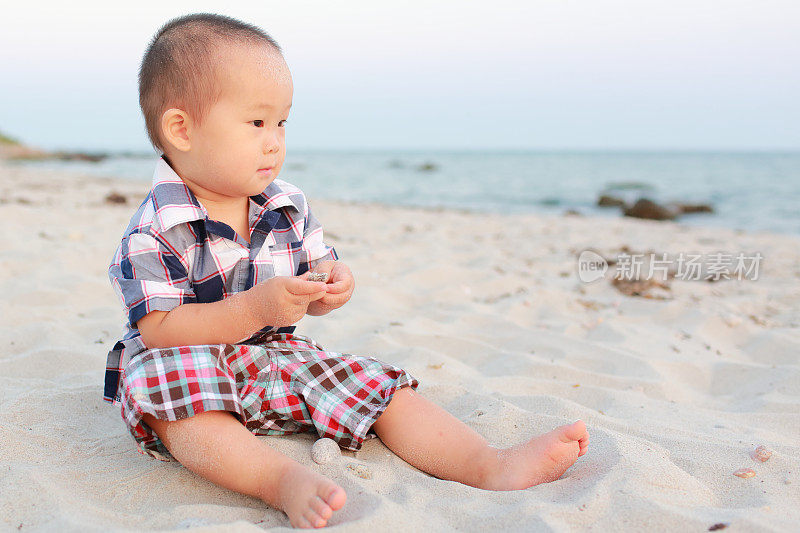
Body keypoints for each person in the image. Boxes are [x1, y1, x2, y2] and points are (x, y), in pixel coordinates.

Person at [105, 12, 590, 529]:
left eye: (282, 122)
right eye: (256, 123)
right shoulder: (156, 228)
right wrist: (253, 307)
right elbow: (157, 331)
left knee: (378, 387)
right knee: (175, 400)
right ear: (181, 129)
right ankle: (278, 480)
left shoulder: (286, 205)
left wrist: (330, 285)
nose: (274, 141)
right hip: (187, 361)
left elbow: (314, 272)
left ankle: (489, 464)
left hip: (276, 357)